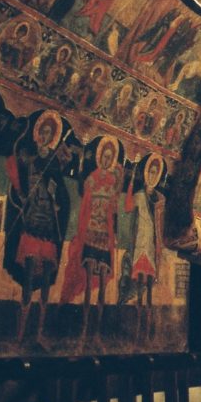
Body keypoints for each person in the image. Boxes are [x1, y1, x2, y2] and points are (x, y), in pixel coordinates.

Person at [5, 111, 71, 343]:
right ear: (37, 134)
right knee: (28, 276)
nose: (44, 136)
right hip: (32, 219)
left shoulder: (53, 163)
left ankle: (40, 331)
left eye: (48, 134)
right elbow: (16, 162)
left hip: (48, 223)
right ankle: (21, 331)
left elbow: (60, 194)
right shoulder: (30, 158)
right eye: (42, 132)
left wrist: (55, 194)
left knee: (45, 280)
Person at [61, 136, 122, 343]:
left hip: (105, 238)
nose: (106, 160)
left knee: (103, 283)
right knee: (88, 281)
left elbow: (114, 209)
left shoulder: (114, 183)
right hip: (90, 234)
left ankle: (97, 331)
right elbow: (83, 201)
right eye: (104, 157)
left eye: (109, 157)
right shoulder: (91, 179)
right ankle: (85, 328)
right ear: (99, 158)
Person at [124, 154, 165, 341]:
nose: (153, 175)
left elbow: (162, 225)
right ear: (146, 173)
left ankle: (146, 328)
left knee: (149, 289)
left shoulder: (160, 200)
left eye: (156, 172)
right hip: (140, 244)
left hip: (152, 246)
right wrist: (131, 184)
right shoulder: (139, 196)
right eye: (151, 171)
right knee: (139, 284)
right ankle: (135, 327)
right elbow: (127, 208)